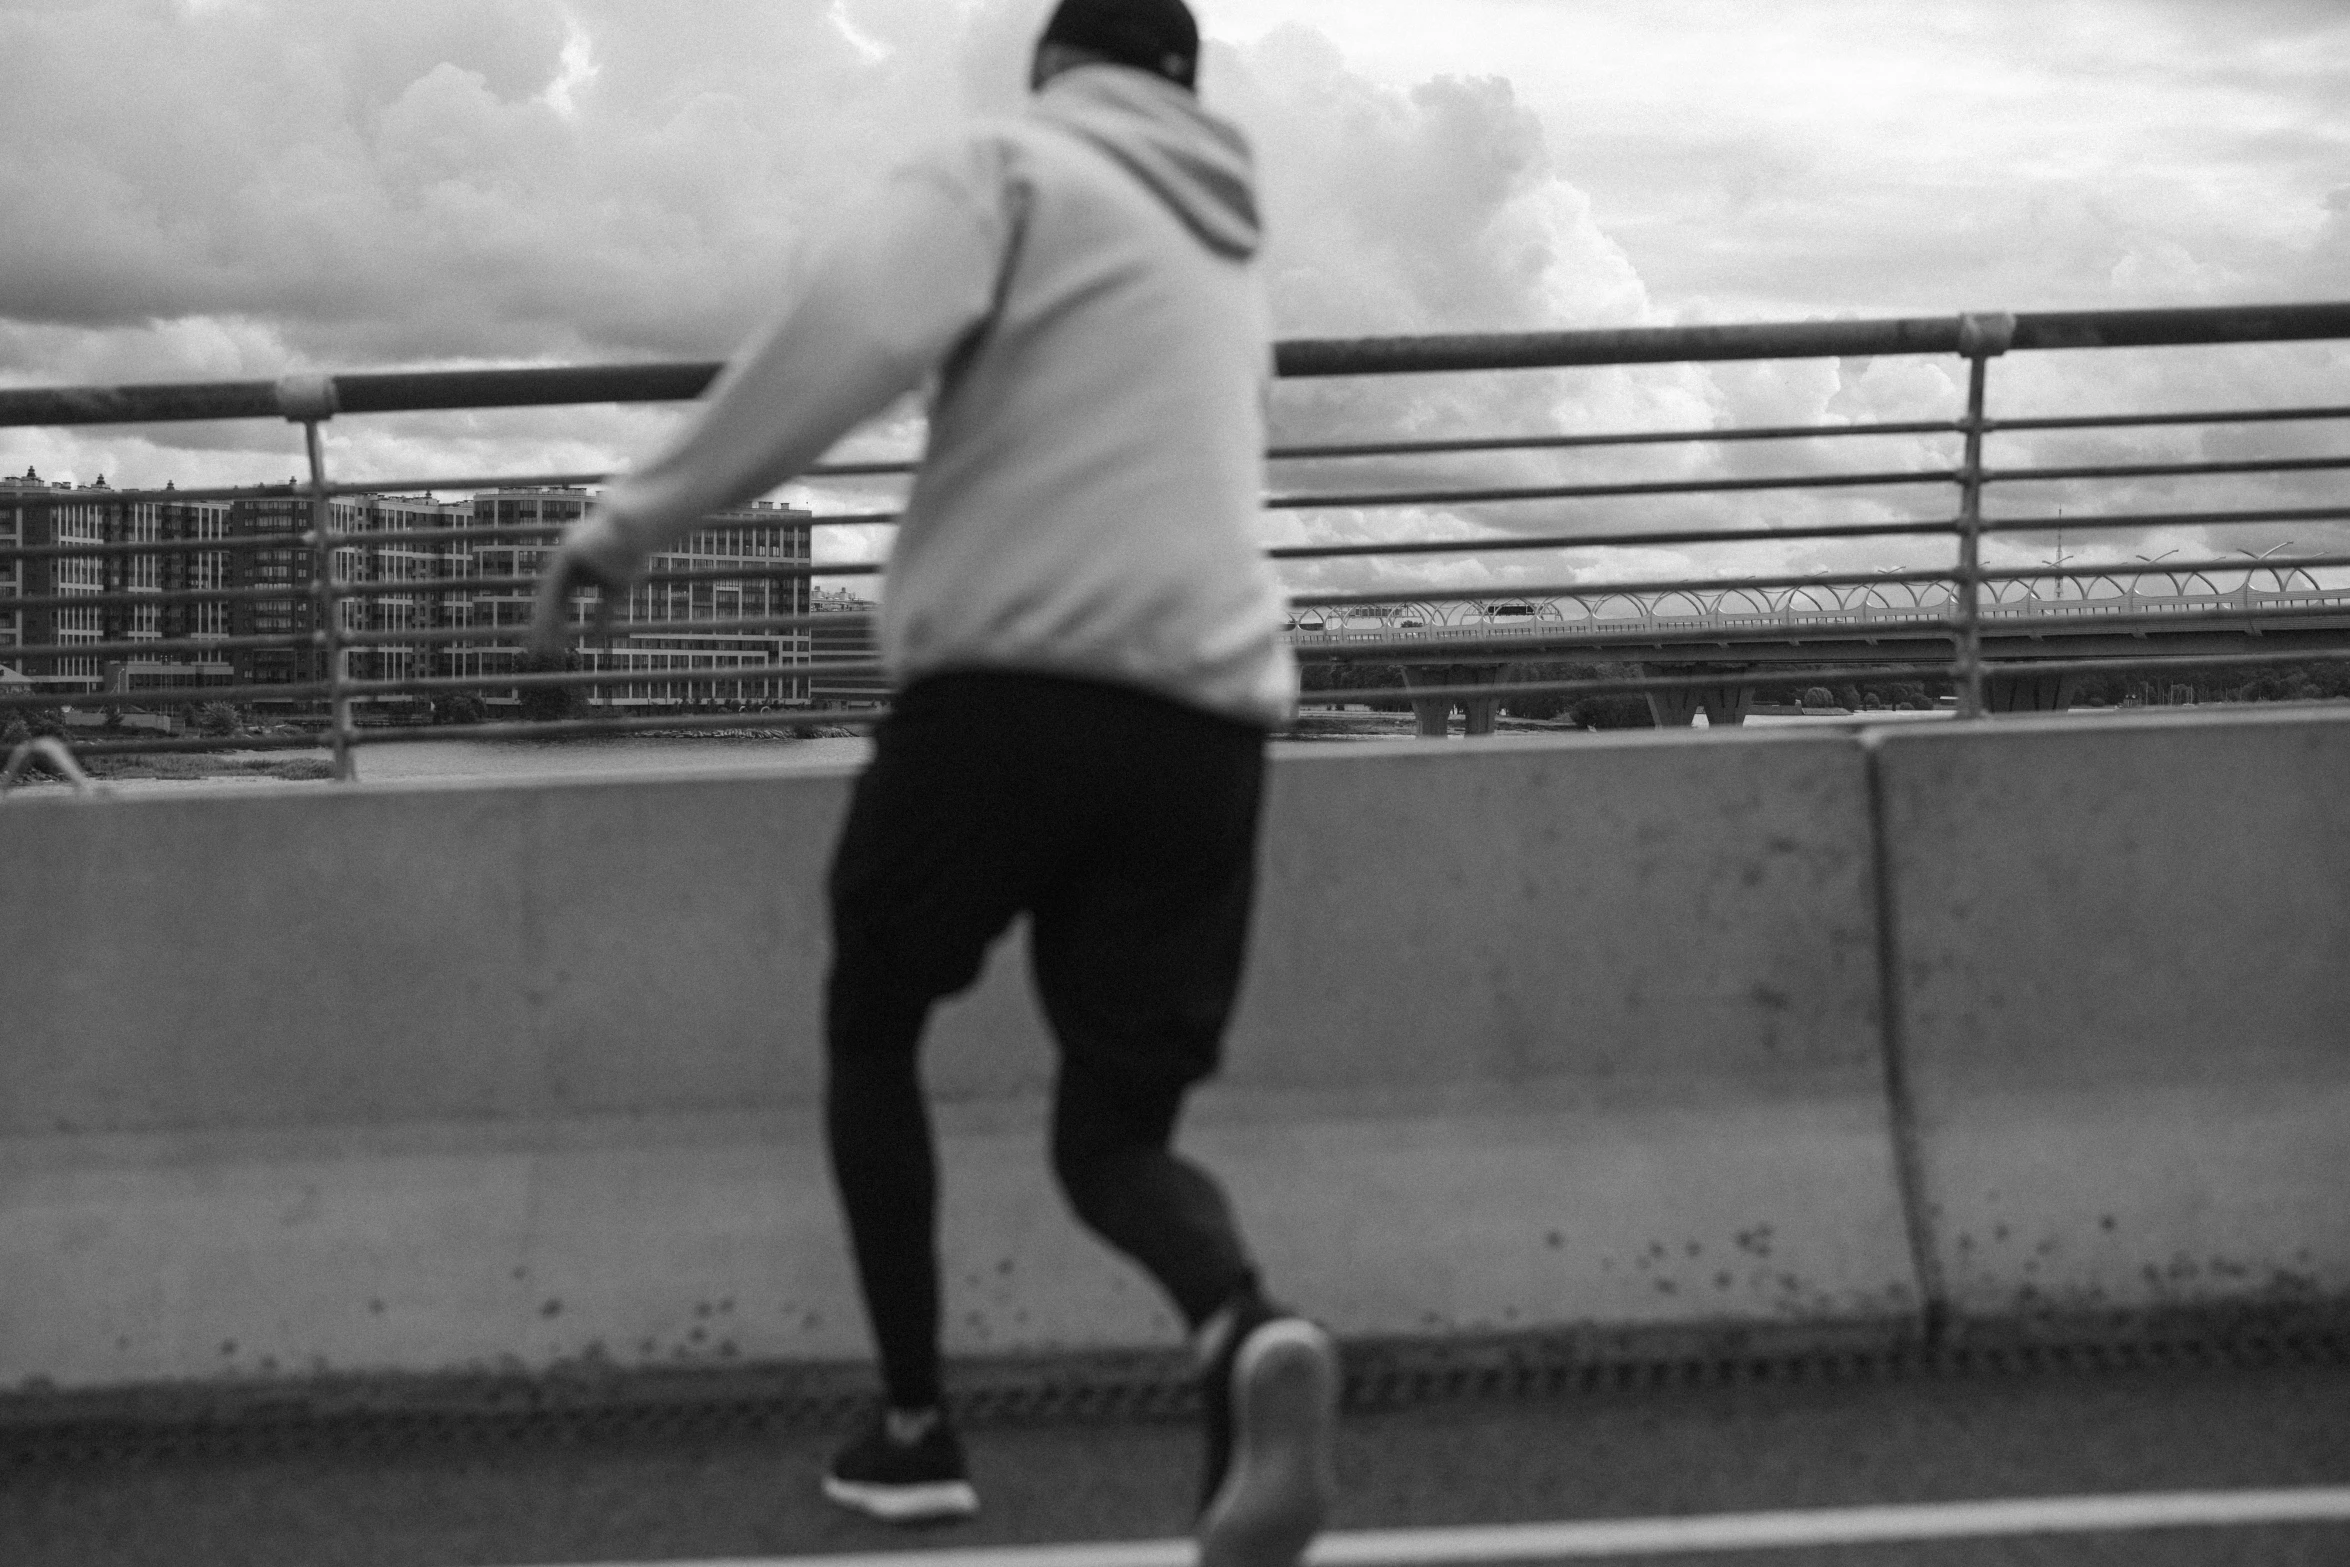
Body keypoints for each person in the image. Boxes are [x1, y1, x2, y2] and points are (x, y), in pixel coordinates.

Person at [526, 1, 1337, 1561]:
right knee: (1114, 1142)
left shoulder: (1009, 169)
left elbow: (835, 344)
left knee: (873, 1020)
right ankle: (1240, 1327)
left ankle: (913, 1429)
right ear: (1187, 89)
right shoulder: (1228, 255)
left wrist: (622, 525)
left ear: (1053, 70)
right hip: (1209, 728)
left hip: (1006, 700)